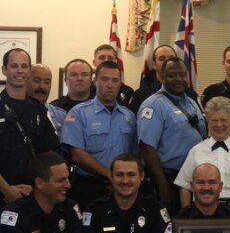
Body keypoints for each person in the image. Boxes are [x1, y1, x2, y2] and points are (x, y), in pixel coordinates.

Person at [0, 47, 60, 233]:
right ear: (4, 70)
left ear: (29, 71)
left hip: (32, 196)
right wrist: (6, 189)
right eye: (14, 66)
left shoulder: (39, 110)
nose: (19, 71)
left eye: (24, 66)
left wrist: (37, 188)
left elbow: (48, 155)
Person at [60, 60, 137, 208]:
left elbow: (134, 154)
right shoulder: (79, 113)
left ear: (120, 84)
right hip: (89, 187)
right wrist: (110, 175)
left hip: (124, 188)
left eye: (115, 80)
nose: (110, 85)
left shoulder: (129, 117)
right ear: (95, 81)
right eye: (104, 79)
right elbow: (76, 154)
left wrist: (121, 179)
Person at [175, 96, 230, 222]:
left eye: (224, 120)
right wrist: (188, 219)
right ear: (207, 121)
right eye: (214, 120)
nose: (219, 125)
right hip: (202, 213)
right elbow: (184, 187)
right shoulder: (196, 151)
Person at [138, 57, 206, 212]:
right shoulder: (154, 105)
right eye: (172, 75)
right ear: (162, 76)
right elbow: (147, 148)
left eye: (182, 74)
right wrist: (163, 187)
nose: (178, 79)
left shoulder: (191, 102)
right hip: (169, 179)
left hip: (194, 179)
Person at [132, 43, 197, 111]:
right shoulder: (140, 95)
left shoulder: (189, 94)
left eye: (171, 58)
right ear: (154, 64)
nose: (167, 61)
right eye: (162, 58)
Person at [27, 63, 67, 138]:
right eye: (37, 81)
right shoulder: (15, 113)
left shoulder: (61, 116)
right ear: (25, 81)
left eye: (47, 82)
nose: (42, 87)